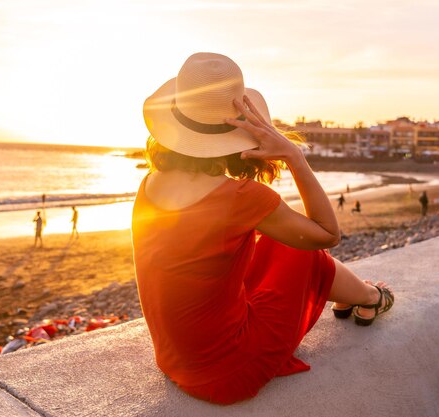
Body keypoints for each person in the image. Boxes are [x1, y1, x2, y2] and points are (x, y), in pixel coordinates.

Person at [132, 52, 394, 405]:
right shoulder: (241, 197)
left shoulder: (150, 183)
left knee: (278, 241)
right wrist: (293, 156)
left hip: (173, 360)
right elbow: (327, 234)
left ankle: (358, 297)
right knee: (301, 249)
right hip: (226, 372)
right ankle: (368, 297)